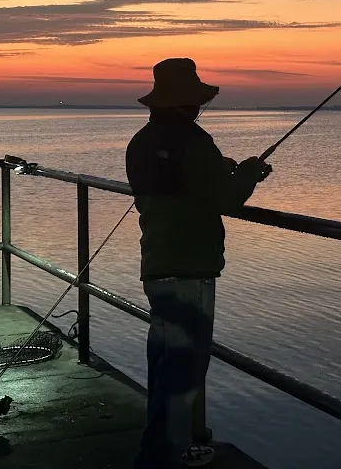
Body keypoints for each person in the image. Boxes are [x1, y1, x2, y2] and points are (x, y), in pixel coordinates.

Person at [126, 58, 272, 468]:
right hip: (190, 271)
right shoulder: (193, 140)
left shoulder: (141, 141)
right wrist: (249, 174)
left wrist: (221, 170)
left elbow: (180, 181)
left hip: (156, 263)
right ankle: (161, 460)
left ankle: (159, 452)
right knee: (184, 373)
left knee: (163, 366)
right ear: (187, 102)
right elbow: (224, 199)